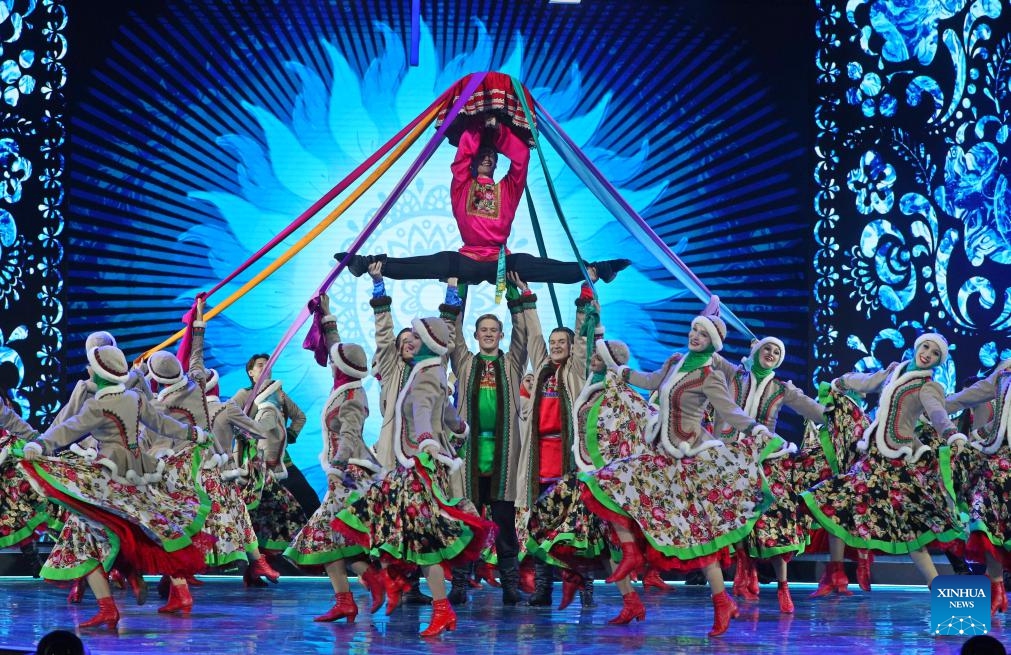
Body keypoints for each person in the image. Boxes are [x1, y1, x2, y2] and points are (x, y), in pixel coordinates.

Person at [577, 309, 788, 636]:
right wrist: (604, 346)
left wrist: (760, 431)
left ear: (712, 343)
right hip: (660, 455)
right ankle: (632, 555)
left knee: (697, 536)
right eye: (692, 330)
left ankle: (722, 601)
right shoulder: (676, 363)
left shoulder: (709, 376)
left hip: (690, 461)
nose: (694, 336)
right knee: (608, 487)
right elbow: (646, 381)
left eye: (701, 334)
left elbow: (729, 412)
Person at [18, 344, 212, 630]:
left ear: (97, 374)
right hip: (138, 473)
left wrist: (39, 444)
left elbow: (68, 429)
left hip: (107, 477)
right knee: (150, 526)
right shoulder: (134, 397)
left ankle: (108, 605)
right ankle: (165, 587)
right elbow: (161, 423)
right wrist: (193, 433)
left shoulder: (98, 405)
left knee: (83, 536)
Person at [332, 315, 496, 637]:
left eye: (418, 339)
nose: (412, 344)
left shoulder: (425, 375)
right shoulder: (429, 372)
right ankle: (399, 584)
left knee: (420, 540)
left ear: (429, 342)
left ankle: (437, 606)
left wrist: (426, 442)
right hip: (415, 464)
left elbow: (422, 410)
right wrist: (460, 431)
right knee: (392, 524)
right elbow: (446, 411)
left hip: (418, 465)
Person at [336, 113, 628, 286]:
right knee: (435, 262)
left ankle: (596, 269)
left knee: (536, 265)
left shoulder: (509, 189)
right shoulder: (462, 185)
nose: (488, 156)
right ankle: (367, 263)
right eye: (482, 154)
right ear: (473, 163)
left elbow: (522, 158)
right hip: (469, 258)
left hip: (502, 260)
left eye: (493, 155)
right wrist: (478, 125)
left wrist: (498, 131)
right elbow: (462, 155)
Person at [801, 333, 968, 595]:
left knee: (910, 528)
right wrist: (841, 381)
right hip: (873, 458)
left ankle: (939, 590)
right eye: (925, 347)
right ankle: (835, 575)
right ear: (917, 347)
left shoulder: (928, 386)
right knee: (835, 503)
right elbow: (868, 382)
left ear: (938, 361)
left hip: (896, 464)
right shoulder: (896, 371)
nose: (927, 354)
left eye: (935, 354)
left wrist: (950, 433)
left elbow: (937, 413)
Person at [525, 337, 658, 610]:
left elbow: (642, 421)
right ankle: (599, 588)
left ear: (611, 362)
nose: (593, 360)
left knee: (602, 539)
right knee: (569, 528)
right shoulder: (593, 386)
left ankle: (599, 588)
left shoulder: (617, 391)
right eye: (594, 356)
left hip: (604, 476)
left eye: (598, 357)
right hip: (586, 471)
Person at [286, 295, 386, 622]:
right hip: (341, 475)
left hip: (349, 477)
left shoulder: (353, 396)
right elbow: (336, 347)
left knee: (320, 534)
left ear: (340, 367)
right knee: (329, 538)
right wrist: (327, 316)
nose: (330, 362)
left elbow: (350, 435)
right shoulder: (344, 383)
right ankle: (351, 595)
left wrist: (338, 469)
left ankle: (370, 581)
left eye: (334, 361)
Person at [716, 337, 827, 613]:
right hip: (730, 456)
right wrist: (712, 316)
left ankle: (783, 585)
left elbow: (816, 411)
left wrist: (840, 410)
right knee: (734, 516)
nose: (771, 353)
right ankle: (744, 569)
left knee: (777, 519)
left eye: (777, 351)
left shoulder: (781, 389)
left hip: (766, 458)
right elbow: (710, 352)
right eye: (767, 348)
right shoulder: (734, 374)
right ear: (755, 350)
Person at [444, 271, 532, 606]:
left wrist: (514, 292)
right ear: (476, 335)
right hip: (469, 458)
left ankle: (510, 586)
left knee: (505, 526)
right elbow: (451, 333)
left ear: (501, 334)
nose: (489, 335)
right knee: (467, 524)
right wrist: (457, 289)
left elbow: (523, 334)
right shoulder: (465, 362)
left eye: (494, 331)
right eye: (484, 331)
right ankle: (460, 585)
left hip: (503, 459)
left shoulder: (511, 364)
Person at [515, 276, 598, 606]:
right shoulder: (544, 371)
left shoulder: (575, 372)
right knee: (539, 526)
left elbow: (582, 341)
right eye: (553, 342)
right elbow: (533, 336)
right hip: (540, 462)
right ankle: (543, 589)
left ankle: (585, 587)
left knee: (575, 528)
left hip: (568, 459)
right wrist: (526, 296)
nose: (556, 346)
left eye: (561, 342)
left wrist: (585, 298)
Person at [944, 357, 1011, 614]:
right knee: (983, 517)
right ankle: (996, 588)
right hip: (995, 460)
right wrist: (935, 406)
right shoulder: (1004, 372)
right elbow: (971, 394)